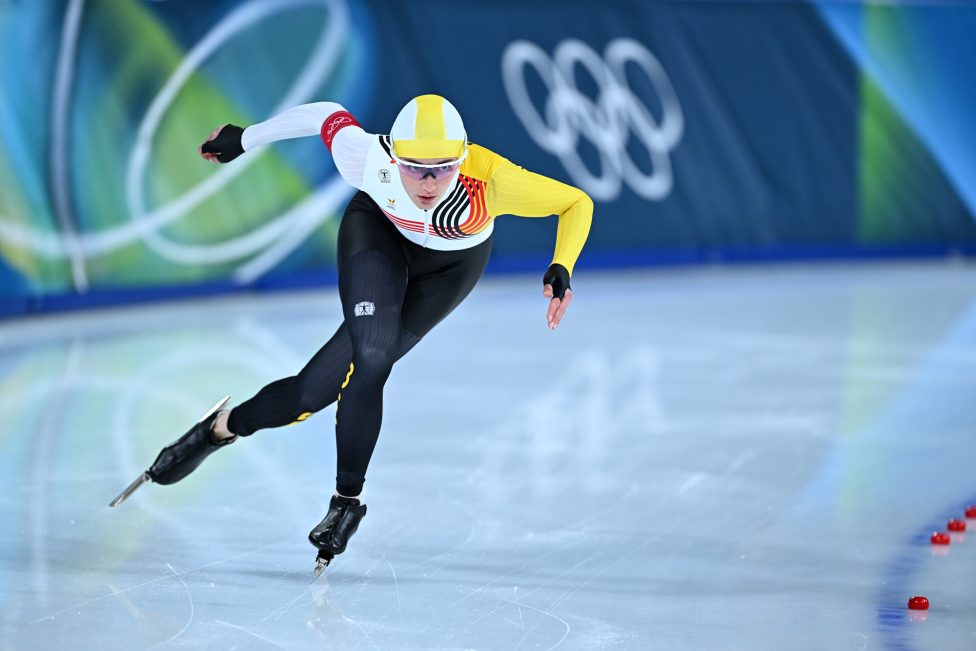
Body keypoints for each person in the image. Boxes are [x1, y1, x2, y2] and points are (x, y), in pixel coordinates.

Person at [111, 95, 593, 573]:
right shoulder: (367, 158)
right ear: (394, 155)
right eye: (415, 168)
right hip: (379, 235)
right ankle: (313, 484)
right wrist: (245, 138)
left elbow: (575, 203)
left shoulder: (493, 181)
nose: (428, 183)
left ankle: (238, 437)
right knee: (369, 357)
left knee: (311, 393)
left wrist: (562, 264)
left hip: (450, 269)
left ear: (462, 158)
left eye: (443, 168)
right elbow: (326, 114)